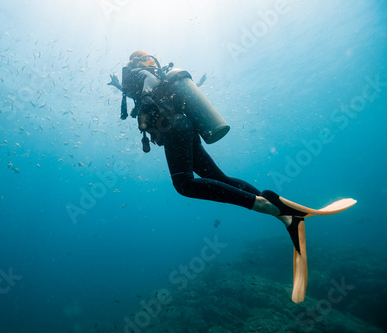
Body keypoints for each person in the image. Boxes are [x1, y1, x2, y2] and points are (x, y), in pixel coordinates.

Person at [108, 50, 307, 253]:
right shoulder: (148, 77)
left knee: (184, 184)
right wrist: (122, 87)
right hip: (184, 126)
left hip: (174, 128)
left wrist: (146, 94)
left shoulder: (138, 73)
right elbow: (146, 88)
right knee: (217, 176)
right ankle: (283, 214)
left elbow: (148, 80)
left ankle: (265, 205)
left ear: (132, 63)